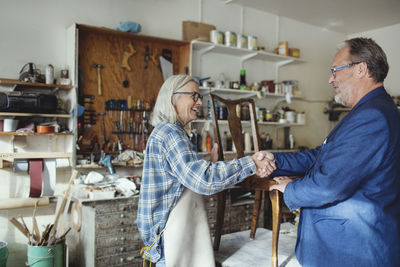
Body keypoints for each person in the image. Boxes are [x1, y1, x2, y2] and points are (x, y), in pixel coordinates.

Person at [259, 37, 400, 266]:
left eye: (335, 70)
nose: (330, 79)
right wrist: (275, 159)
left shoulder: (372, 116)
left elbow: (329, 186)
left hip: (353, 249)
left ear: (361, 69)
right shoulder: (368, 111)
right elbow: (320, 156)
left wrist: (290, 187)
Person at [137, 74, 276, 267]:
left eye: (199, 96)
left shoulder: (170, 132)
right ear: (173, 98)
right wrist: (251, 163)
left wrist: (209, 163)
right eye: (194, 96)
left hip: (173, 237)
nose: (200, 102)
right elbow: (205, 180)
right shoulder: (170, 134)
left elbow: (187, 176)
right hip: (168, 240)